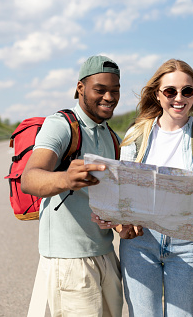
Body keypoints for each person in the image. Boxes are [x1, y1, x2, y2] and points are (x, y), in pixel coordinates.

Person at [115, 59, 193, 316]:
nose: (179, 98)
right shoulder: (136, 134)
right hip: (140, 242)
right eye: (170, 91)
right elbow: (123, 186)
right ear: (157, 94)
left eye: (187, 91)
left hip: (188, 243)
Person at [22, 55, 124, 317]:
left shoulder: (111, 135)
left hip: (105, 253)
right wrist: (66, 179)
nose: (109, 97)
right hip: (69, 261)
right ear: (80, 88)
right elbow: (30, 178)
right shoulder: (61, 125)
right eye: (100, 90)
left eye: (115, 90)